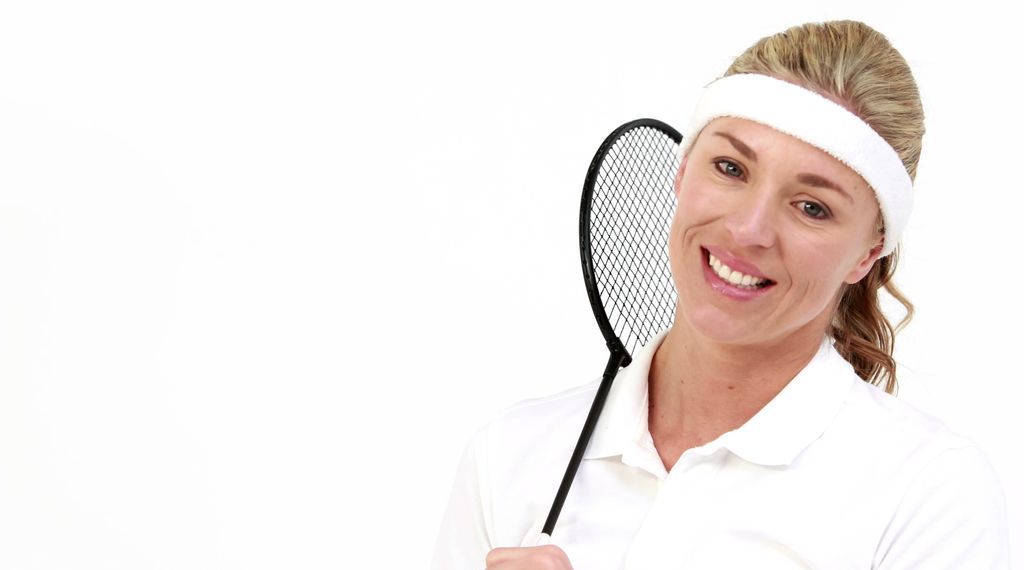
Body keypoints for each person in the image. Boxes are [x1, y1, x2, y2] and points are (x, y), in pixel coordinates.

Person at [432, 20, 1009, 569]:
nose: (747, 230)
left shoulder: (928, 494)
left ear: (867, 254)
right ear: (683, 172)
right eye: (730, 168)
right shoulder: (509, 457)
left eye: (812, 207)